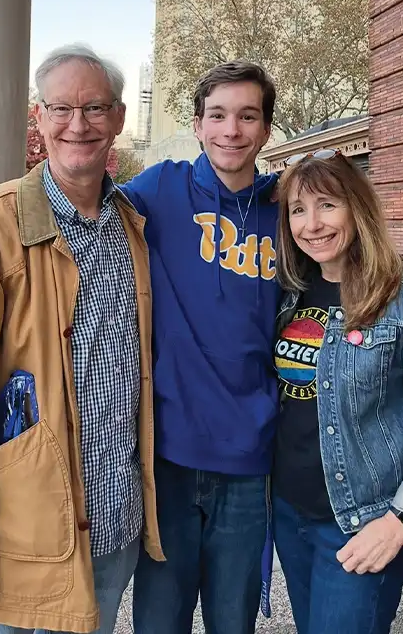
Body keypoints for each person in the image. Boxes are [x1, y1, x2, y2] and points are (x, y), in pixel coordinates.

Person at [0, 44, 164, 634]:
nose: (80, 124)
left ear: (119, 118)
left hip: (113, 525)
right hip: (18, 543)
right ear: (39, 117)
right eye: (62, 108)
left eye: (96, 108)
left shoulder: (132, 224)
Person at [269, 149, 403, 634]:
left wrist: (401, 521)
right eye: (298, 209)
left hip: (361, 522)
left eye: (327, 205)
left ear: (357, 209)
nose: (312, 223)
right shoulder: (288, 293)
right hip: (290, 515)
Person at [121, 61, 282, 634]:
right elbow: (78, 213)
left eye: (247, 116)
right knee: (160, 621)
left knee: (232, 622)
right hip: (167, 453)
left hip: (249, 456)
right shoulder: (159, 188)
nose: (231, 130)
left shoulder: (287, 211)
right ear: (196, 124)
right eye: (217, 116)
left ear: (265, 129)